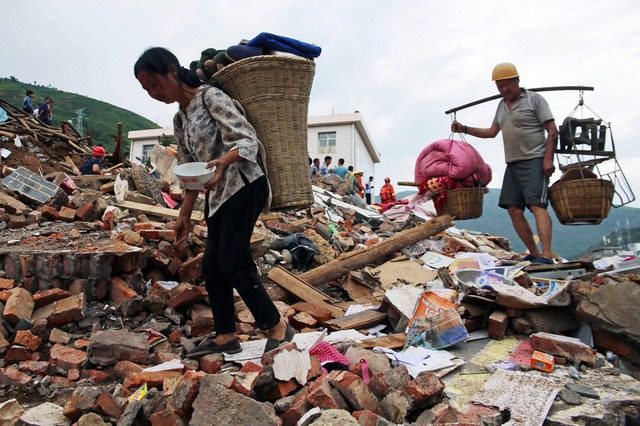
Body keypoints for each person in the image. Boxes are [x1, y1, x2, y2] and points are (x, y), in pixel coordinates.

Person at [134, 47, 292, 357]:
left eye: (155, 83)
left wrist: (222, 161)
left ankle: (277, 327)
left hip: (245, 183)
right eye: (147, 89)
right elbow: (190, 171)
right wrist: (184, 216)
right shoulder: (180, 119)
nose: (154, 93)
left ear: (172, 71)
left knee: (232, 258)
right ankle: (225, 335)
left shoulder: (210, 97)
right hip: (219, 195)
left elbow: (246, 139)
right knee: (212, 265)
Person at [451, 62, 558, 264]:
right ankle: (534, 253)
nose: (504, 90)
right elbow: (491, 132)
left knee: (537, 205)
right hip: (513, 163)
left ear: (517, 81)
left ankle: (547, 254)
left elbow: (552, 129)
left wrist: (548, 159)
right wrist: (464, 129)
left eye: (507, 84)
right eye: (500, 87)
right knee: (513, 209)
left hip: (534, 159)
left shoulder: (535, 100)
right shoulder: (501, 106)